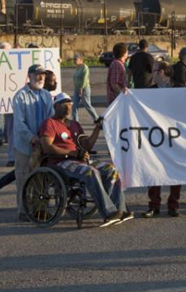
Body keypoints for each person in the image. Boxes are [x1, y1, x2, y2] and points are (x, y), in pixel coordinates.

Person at [38, 93, 131, 226]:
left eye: (70, 103)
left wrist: (97, 128)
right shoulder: (49, 124)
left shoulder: (75, 124)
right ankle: (109, 212)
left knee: (111, 169)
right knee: (90, 172)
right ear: (56, 106)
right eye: (64, 104)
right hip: (60, 162)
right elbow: (47, 147)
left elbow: (86, 145)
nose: (68, 107)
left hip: (80, 160)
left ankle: (120, 210)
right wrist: (73, 153)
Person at [12, 64, 54, 221]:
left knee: (41, 180)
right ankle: (23, 211)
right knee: (24, 178)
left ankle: (40, 210)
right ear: (29, 76)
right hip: (24, 146)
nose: (41, 77)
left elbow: (51, 118)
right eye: (37, 74)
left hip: (42, 146)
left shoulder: (46, 95)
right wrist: (32, 137)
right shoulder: (20, 96)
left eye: (43, 74)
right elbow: (19, 124)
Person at [144, 62, 181, 218]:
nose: (150, 75)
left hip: (175, 135)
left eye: (152, 71)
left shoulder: (179, 88)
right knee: (154, 169)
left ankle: (173, 204)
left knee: (176, 170)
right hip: (156, 136)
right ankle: (154, 205)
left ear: (160, 72)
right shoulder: (149, 91)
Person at [0, 42, 12, 146]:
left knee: (9, 116)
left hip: (10, 92)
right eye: (2, 49)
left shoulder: (14, 60)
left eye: (7, 50)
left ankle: (7, 135)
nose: (5, 52)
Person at [71, 52, 100, 123]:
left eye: (76, 59)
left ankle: (97, 119)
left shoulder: (85, 67)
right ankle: (75, 122)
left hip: (84, 88)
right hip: (77, 89)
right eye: (74, 59)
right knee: (74, 106)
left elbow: (85, 79)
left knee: (87, 105)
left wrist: (81, 88)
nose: (74, 61)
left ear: (81, 60)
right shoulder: (77, 68)